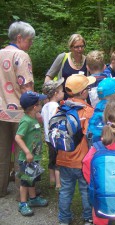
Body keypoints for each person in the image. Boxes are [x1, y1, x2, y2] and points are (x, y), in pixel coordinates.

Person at [0, 21, 35, 198]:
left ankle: (1, 189)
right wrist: (35, 110)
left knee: (2, 152)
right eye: (30, 40)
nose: (31, 44)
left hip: (0, 112)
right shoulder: (21, 56)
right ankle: (22, 193)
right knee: (23, 152)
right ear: (19, 38)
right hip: (19, 113)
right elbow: (26, 88)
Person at [56, 74, 96, 225]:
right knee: (85, 189)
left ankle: (64, 219)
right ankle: (88, 218)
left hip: (63, 158)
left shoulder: (61, 108)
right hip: (82, 160)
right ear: (84, 92)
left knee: (66, 190)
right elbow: (90, 137)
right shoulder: (88, 112)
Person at [15, 91, 48, 216]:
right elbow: (18, 137)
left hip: (35, 157)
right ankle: (23, 204)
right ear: (35, 107)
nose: (41, 105)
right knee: (25, 181)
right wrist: (28, 152)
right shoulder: (26, 121)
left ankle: (33, 199)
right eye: (40, 104)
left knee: (32, 179)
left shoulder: (33, 119)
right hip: (27, 159)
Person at [44, 34, 88, 99]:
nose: (80, 49)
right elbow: (49, 77)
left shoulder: (87, 60)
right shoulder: (62, 57)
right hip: (62, 100)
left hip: (81, 101)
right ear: (70, 47)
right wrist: (48, 96)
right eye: (77, 47)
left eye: (82, 46)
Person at [41, 78, 65, 190]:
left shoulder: (45, 107)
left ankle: (51, 179)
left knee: (51, 158)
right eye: (61, 91)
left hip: (47, 138)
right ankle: (58, 184)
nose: (63, 92)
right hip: (55, 138)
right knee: (58, 160)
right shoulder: (56, 107)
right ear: (56, 94)